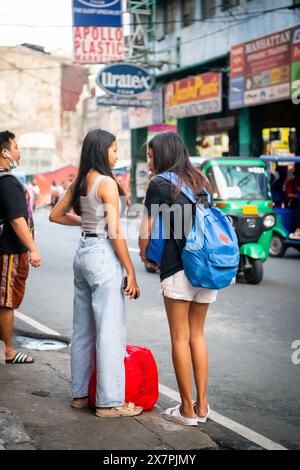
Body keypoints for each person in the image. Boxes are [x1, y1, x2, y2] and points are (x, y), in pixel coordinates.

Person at [49, 129, 142, 418]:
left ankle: (79, 395)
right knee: (110, 330)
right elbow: (115, 232)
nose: (117, 155)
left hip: (83, 254)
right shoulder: (107, 184)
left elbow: (55, 215)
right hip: (102, 255)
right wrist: (131, 271)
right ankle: (108, 402)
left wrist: (85, 223)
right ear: (103, 151)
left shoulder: (80, 181)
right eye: (114, 149)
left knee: (84, 330)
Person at [139, 132, 217, 426]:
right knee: (197, 335)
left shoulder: (159, 184)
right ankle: (203, 405)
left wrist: (144, 255)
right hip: (206, 268)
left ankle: (186, 409)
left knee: (179, 338)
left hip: (178, 268)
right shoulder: (201, 181)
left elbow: (146, 230)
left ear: (163, 155)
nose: (148, 161)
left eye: (150, 155)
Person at [0, 130, 41, 364]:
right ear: (5, 152)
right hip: (9, 251)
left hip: (7, 249)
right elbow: (17, 220)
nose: (19, 151)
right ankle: (9, 351)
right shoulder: (7, 182)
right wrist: (33, 249)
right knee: (6, 299)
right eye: (16, 147)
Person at [286, 163, 300, 239]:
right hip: (292, 202)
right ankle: (298, 229)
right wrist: (297, 196)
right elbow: (288, 194)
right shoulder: (291, 182)